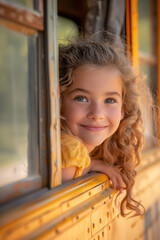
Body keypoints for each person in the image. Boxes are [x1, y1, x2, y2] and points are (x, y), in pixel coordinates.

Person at [59, 32, 152, 216]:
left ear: (123, 109)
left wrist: (91, 163)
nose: (97, 114)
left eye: (110, 100)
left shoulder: (78, 150)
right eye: (81, 98)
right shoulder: (69, 148)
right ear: (59, 102)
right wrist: (91, 165)